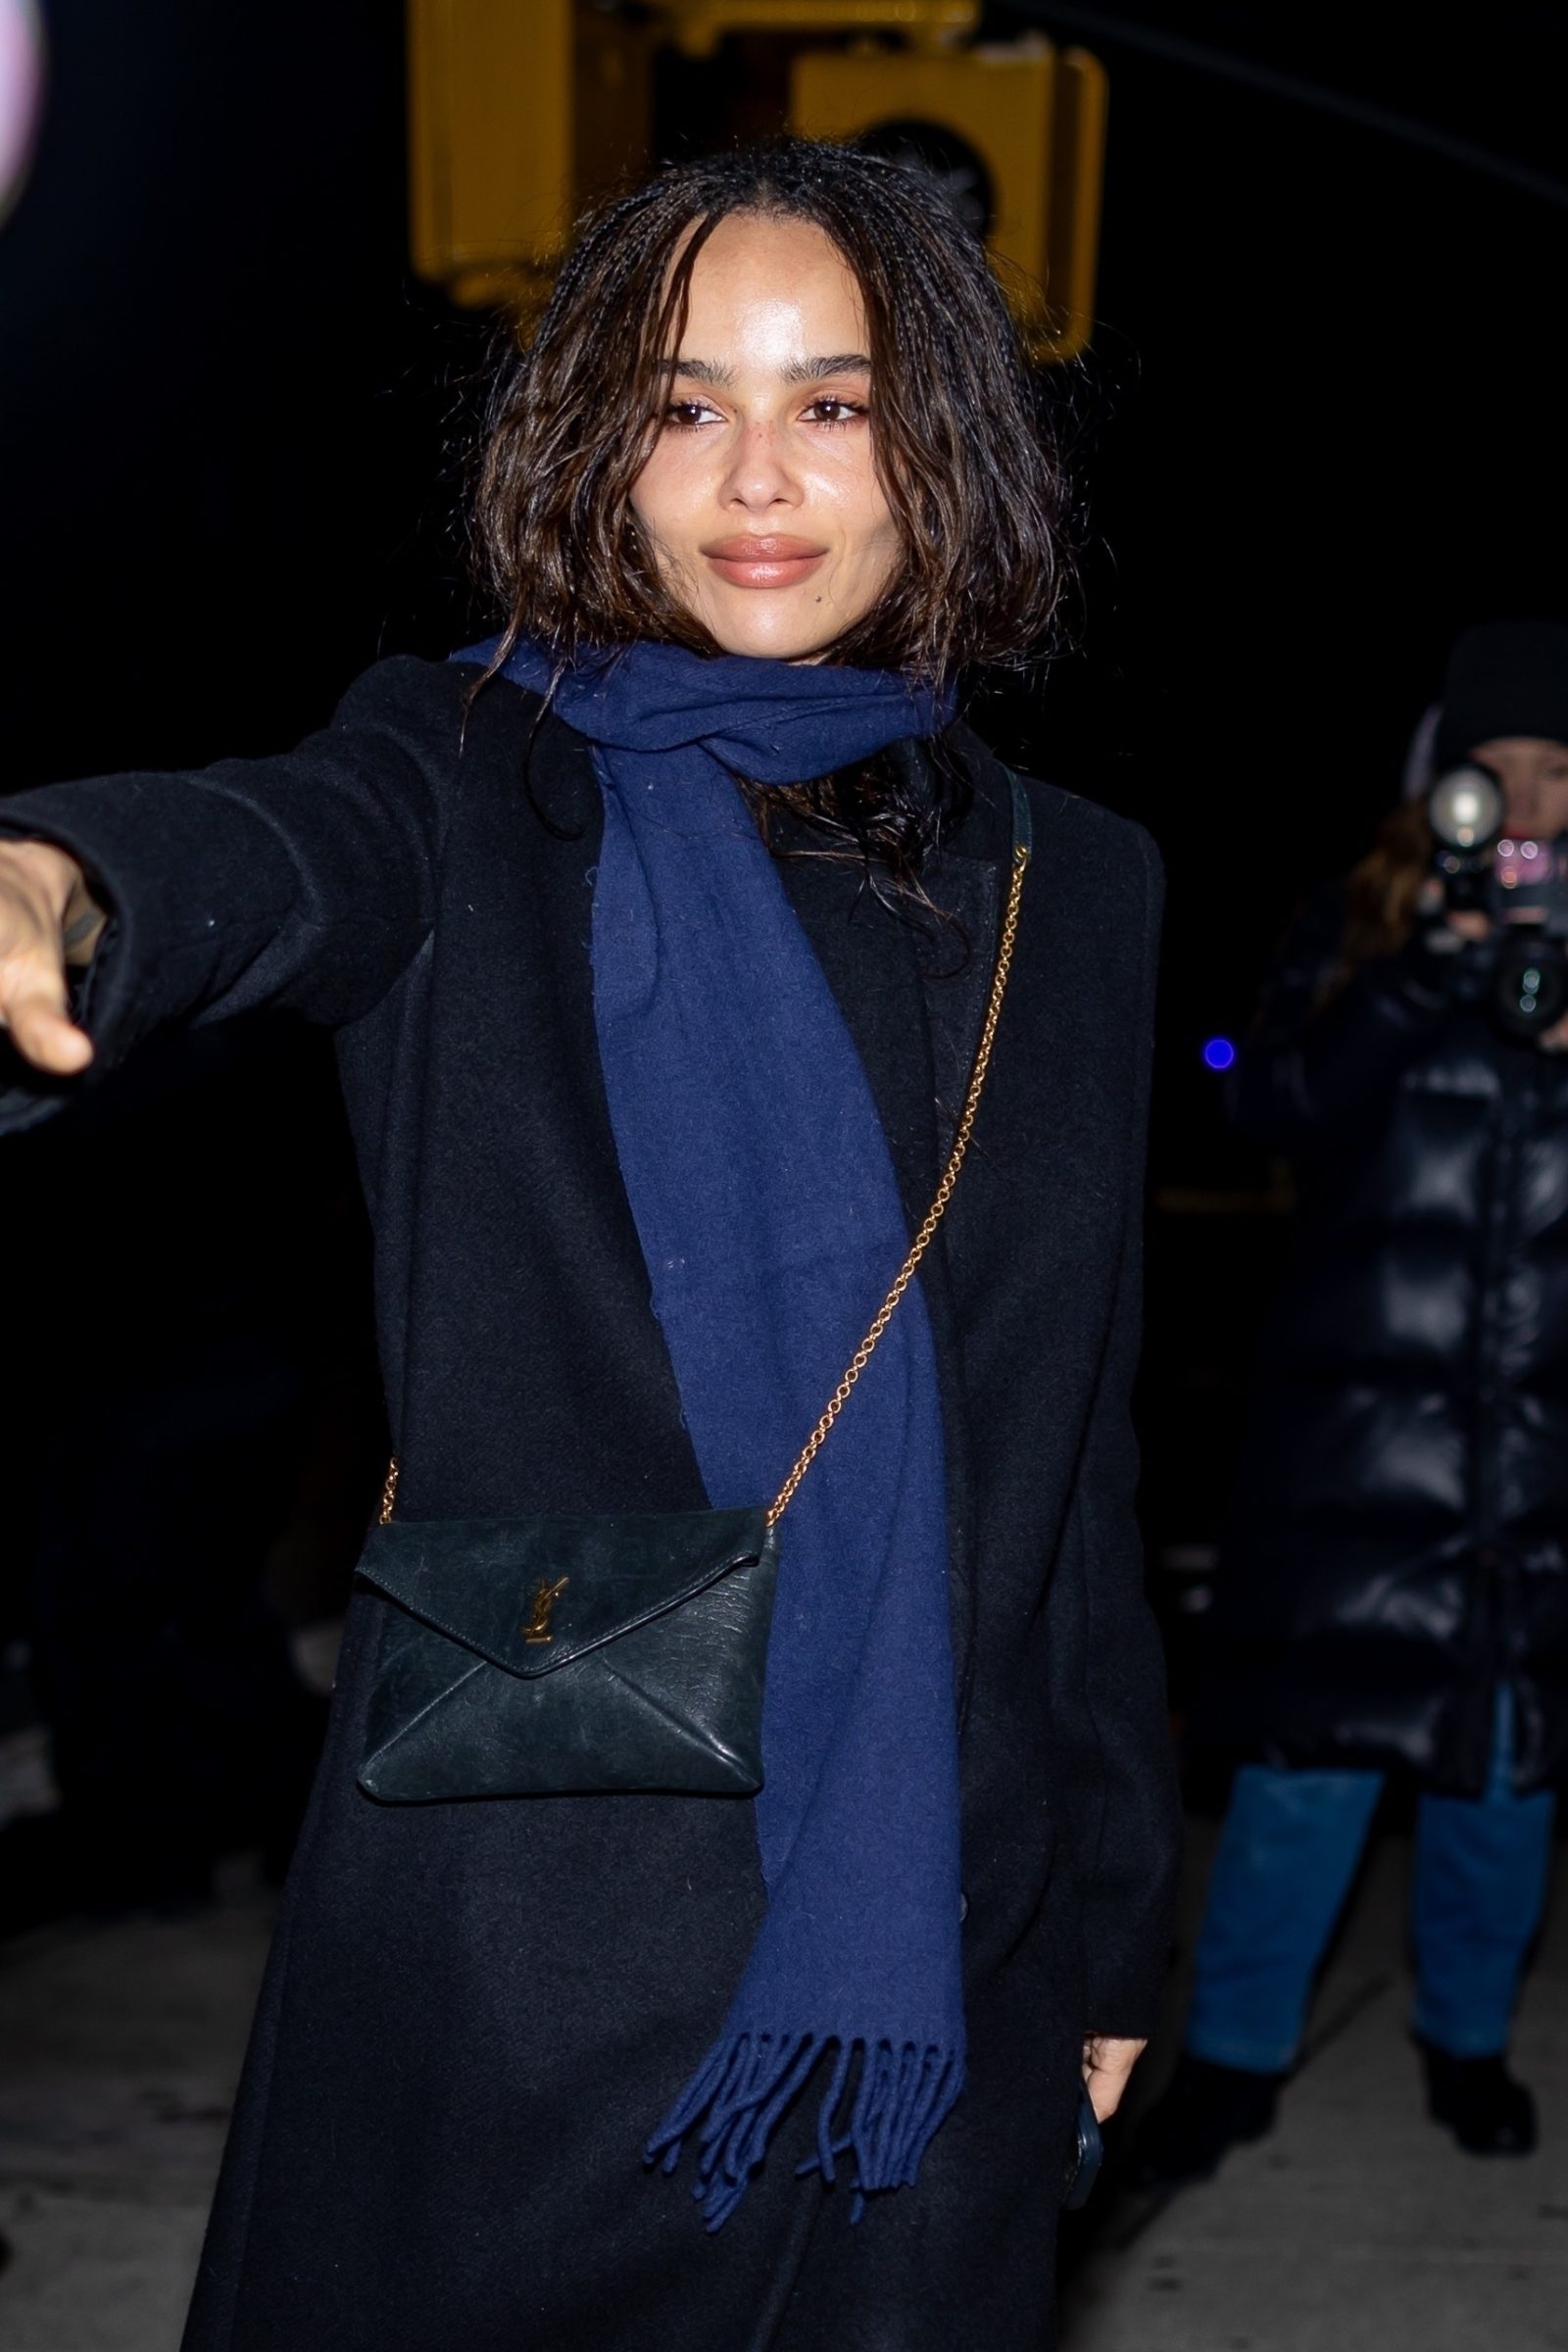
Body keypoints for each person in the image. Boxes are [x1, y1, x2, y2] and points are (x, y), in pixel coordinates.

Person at [0, 141, 1179, 2351]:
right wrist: (63, 879)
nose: (754, 475)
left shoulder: (1069, 880)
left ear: (942, 446)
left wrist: (1111, 1930)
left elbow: (1071, 1460)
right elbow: (281, 850)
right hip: (523, 1964)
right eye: (678, 401)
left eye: (831, 403)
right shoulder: (466, 776)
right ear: (589, 447)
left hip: (938, 1958)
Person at [1134, 620, 1568, 2190]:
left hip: (1535, 1449)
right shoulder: (1364, 921)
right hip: (1358, 1440)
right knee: (1307, 1766)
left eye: (1558, 767)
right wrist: (1420, 986)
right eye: (1495, 764)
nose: (1527, 795)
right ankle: (1234, 2063)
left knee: (1504, 1768)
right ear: (1436, 780)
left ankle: (1467, 2040)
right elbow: (1269, 1099)